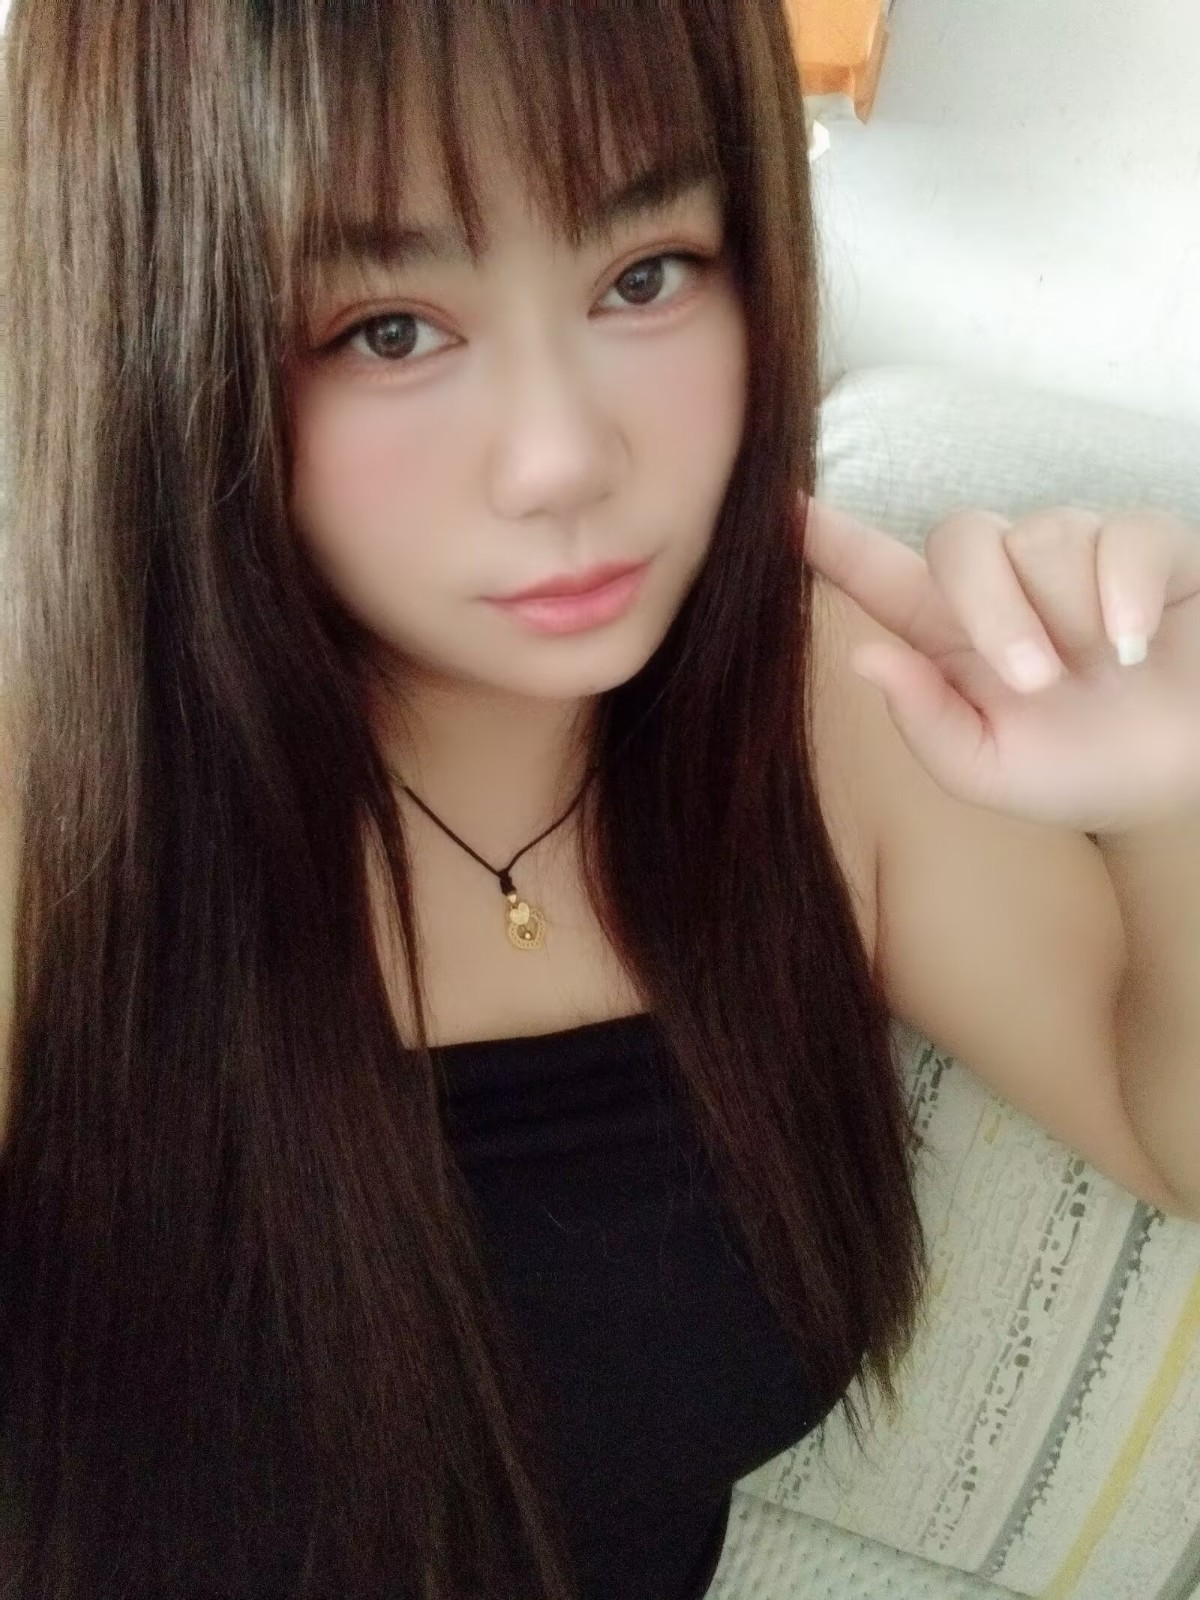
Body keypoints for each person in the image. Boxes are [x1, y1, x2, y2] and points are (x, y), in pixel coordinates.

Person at [5, 2, 1198, 1598]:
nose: (565, 458)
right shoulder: (50, 826)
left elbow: (1168, 1130)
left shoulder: (823, 707)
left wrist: (1174, 788)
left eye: (647, 275)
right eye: (388, 330)